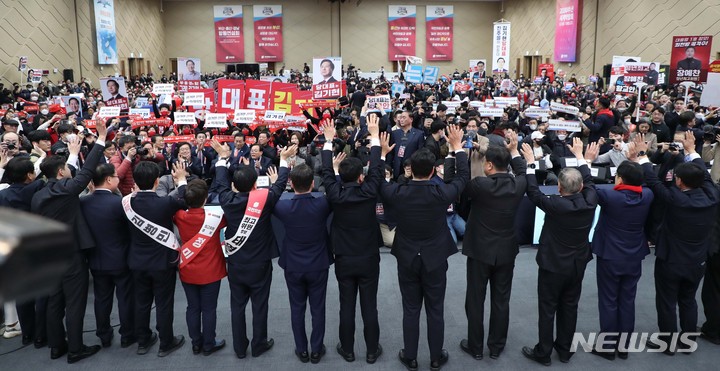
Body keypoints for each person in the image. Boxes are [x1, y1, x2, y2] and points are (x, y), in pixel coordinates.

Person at [381, 125, 468, 371]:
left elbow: (377, 179)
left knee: (410, 309)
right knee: (435, 309)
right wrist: (457, 148)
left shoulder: (398, 192)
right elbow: (462, 177)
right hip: (435, 257)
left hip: (407, 256)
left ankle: (410, 356)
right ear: (432, 171)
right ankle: (435, 358)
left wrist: (381, 153)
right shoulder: (442, 193)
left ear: (411, 172)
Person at [633, 132, 720, 355]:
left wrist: (643, 153)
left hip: (670, 260)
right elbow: (705, 175)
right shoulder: (712, 195)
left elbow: (652, 180)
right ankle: (688, 342)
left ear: (679, 181)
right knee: (689, 301)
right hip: (697, 261)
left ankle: (668, 344)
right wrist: (691, 151)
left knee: (667, 302)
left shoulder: (675, 197)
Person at [209, 139, 296, 359]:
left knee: (237, 306)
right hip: (260, 262)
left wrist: (222, 157)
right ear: (256, 184)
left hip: (236, 262)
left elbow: (219, 182)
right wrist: (283, 161)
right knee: (260, 304)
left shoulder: (227, 198)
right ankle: (259, 344)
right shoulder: (265, 199)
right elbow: (279, 185)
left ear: (234, 185)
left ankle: (240, 348)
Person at [30, 118, 108, 364]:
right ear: (61, 172)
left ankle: (57, 347)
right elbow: (86, 173)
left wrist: (72, 155)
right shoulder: (67, 190)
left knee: (55, 302)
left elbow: (75, 176)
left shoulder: (38, 196)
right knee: (74, 303)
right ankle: (75, 349)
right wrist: (101, 140)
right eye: (66, 168)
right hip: (70, 255)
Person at [520, 138, 598, 366]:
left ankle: (543, 352)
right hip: (577, 264)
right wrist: (583, 158)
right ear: (581, 187)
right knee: (570, 306)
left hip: (553, 265)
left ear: (559, 188)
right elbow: (591, 181)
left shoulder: (555, 204)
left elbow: (533, 192)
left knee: (547, 308)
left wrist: (531, 164)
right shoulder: (590, 200)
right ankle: (565, 350)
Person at [320, 116, 384, 364]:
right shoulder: (369, 192)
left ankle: (347, 349)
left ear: (340, 176)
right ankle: (371, 350)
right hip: (368, 257)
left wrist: (328, 142)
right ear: (361, 176)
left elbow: (326, 171)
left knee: (346, 305)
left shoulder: (335, 193)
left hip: (344, 257)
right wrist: (375, 137)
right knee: (370, 305)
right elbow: (377, 169)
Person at [460, 133, 527, 361]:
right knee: (501, 300)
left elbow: (461, 186)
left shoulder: (480, 185)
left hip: (480, 251)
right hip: (506, 251)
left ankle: (476, 346)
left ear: (488, 165)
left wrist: (458, 152)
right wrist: (515, 151)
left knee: (475, 299)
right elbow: (521, 171)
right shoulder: (519, 185)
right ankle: (496, 346)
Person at [584, 150, 654, 360]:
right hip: (634, 255)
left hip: (610, 255)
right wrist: (639, 160)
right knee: (627, 299)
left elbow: (587, 184)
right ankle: (623, 346)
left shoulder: (609, 195)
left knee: (608, 300)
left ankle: (607, 345)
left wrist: (585, 160)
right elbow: (648, 179)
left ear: (619, 178)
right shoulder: (648, 195)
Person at [125, 161, 188, 357]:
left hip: (137, 261)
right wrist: (182, 179)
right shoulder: (165, 202)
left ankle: (143, 341)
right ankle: (166, 342)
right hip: (162, 262)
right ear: (157, 181)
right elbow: (184, 198)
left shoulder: (128, 202)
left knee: (141, 302)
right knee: (163, 303)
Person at [274, 163, 333, 364]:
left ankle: (302, 349)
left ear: (291, 183)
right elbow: (335, 192)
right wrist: (331, 169)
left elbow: (271, 198)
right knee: (318, 309)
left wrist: (280, 174)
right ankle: (316, 349)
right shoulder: (323, 204)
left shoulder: (282, 206)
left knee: (297, 309)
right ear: (312, 183)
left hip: (293, 266)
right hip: (318, 265)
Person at [80, 163, 135, 349]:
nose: (119, 180)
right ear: (109, 179)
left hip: (95, 259)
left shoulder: (83, 202)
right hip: (120, 258)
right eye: (117, 177)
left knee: (101, 299)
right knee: (125, 297)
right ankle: (127, 335)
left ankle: (103, 335)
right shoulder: (120, 202)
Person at [173, 179, 227, 356]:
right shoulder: (215, 218)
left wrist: (181, 184)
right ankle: (209, 343)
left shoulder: (179, 216)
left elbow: (179, 202)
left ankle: (196, 343)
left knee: (193, 307)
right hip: (211, 270)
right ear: (205, 198)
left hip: (188, 269)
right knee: (209, 308)